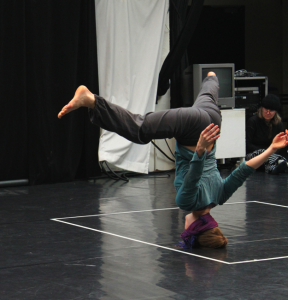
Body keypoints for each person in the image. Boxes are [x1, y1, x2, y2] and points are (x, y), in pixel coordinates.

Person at [58, 74, 288, 249]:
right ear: (195, 228)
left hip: (213, 120)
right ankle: (89, 99)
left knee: (207, 95)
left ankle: (212, 79)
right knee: (141, 129)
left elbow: (243, 171)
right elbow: (192, 178)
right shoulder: (187, 203)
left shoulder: (220, 197)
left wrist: (271, 149)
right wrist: (198, 152)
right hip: (192, 129)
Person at [246, 94, 288, 175]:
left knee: (268, 161)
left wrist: (270, 152)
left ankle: (273, 167)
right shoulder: (253, 121)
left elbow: (279, 145)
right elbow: (248, 144)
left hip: (271, 154)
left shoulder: (278, 124)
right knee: (263, 153)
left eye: (271, 111)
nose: (268, 113)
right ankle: (280, 162)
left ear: (275, 111)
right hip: (254, 154)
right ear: (262, 108)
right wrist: (266, 152)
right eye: (266, 110)